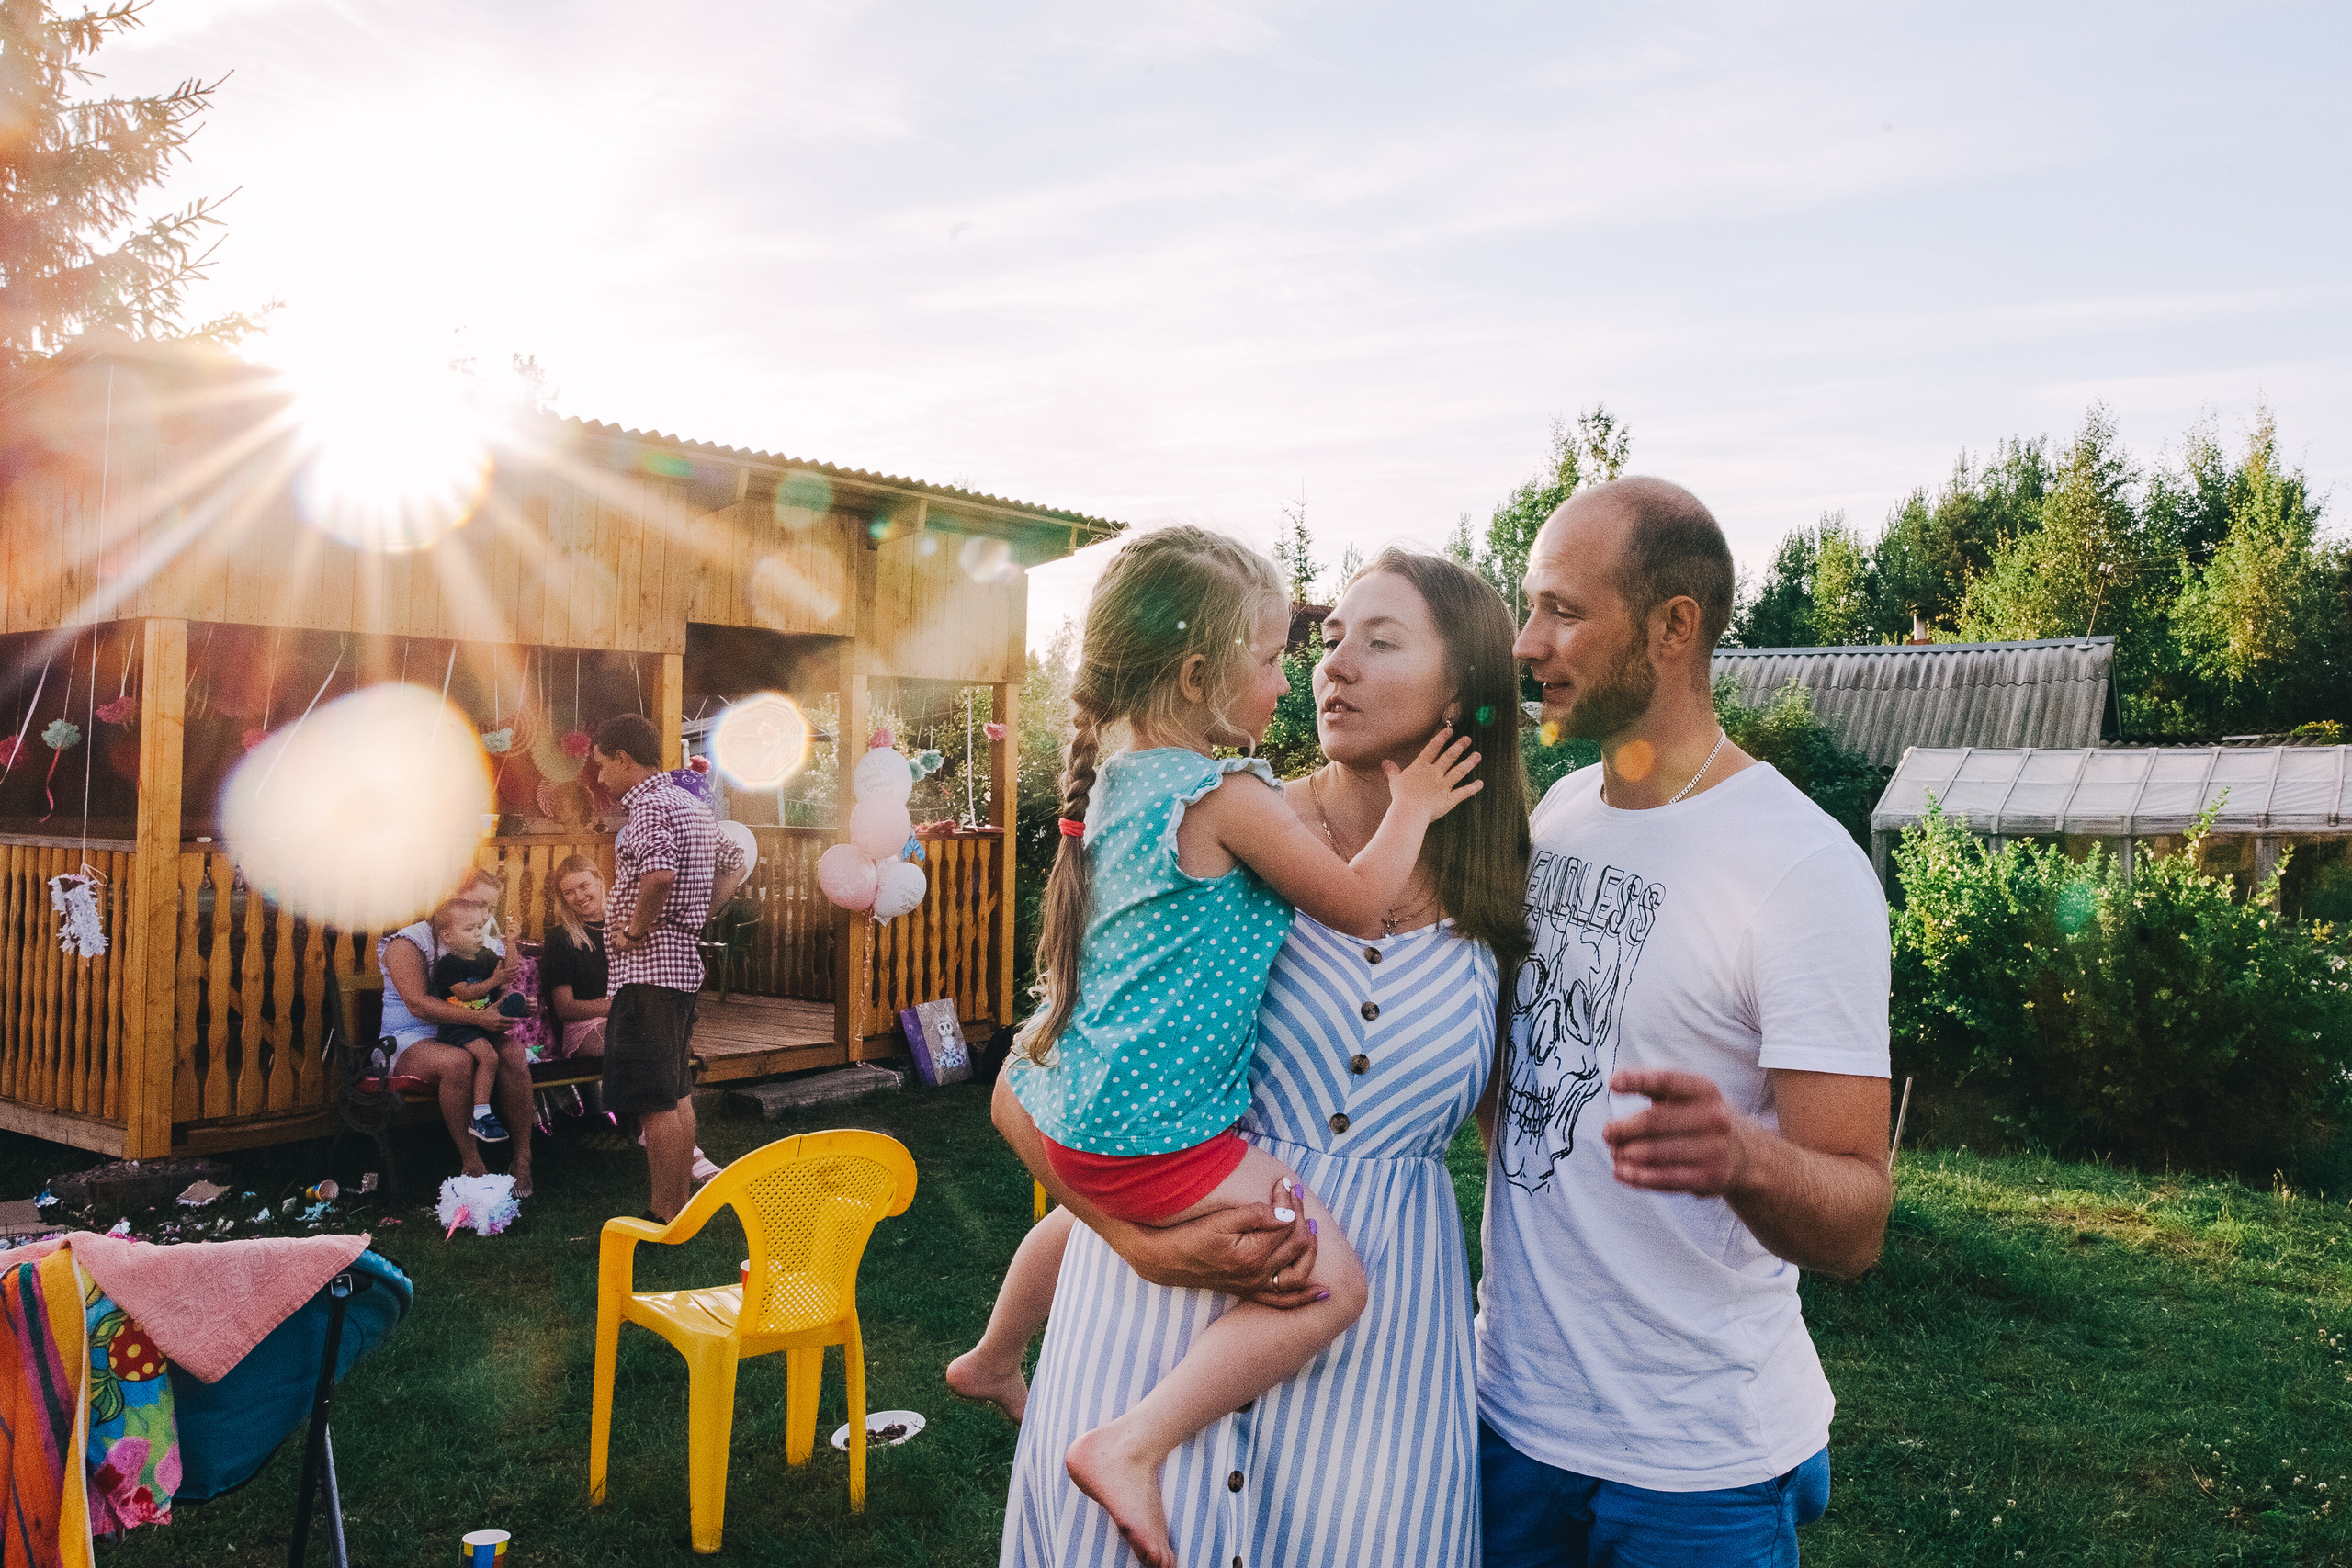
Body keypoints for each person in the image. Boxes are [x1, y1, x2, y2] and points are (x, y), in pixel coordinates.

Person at [957, 527, 1485, 1568]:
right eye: (1306, 643)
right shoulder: (1237, 813)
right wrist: (1136, 1241)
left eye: (1375, 640)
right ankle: (1127, 1441)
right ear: (1202, 673)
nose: (1322, 667)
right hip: (1151, 1322)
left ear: (1463, 688)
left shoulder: (1510, 894)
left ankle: (1001, 1360)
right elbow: (1031, 1079)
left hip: (1380, 1388)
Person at [1480, 477, 1894, 1567]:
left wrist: (1742, 1157)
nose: (1528, 643)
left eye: (1564, 611)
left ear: (1675, 626)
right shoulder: (1560, 816)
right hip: (1511, 1422)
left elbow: (1856, 1223)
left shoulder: (1802, 869)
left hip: (1695, 1467)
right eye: (1529, 606)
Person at [592, 713, 747, 1223]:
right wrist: (701, 912)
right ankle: (680, 1204)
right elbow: (735, 862)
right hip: (680, 968)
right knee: (675, 1089)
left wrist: (635, 933)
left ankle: (664, 1214)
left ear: (623, 758)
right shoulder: (692, 804)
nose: (598, 779)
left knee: (652, 1098)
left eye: (600, 766)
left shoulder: (650, 808)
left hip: (651, 971)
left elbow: (658, 877)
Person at [374, 867, 537, 1197]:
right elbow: (418, 1004)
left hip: (462, 1031)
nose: (482, 915)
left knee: (512, 1052)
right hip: (407, 1038)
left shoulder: (483, 944)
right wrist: (481, 1019)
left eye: (489, 908)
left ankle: (523, 1158)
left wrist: (513, 1005)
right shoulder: (409, 941)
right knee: (457, 1062)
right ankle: (473, 1165)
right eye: (476, 903)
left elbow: (498, 994)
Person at [424, 901, 533, 1143]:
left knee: (503, 1048)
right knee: (490, 1057)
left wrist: (511, 943)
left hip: (483, 1025)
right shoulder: (449, 964)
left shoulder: (485, 955)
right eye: (469, 929)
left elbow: (509, 971)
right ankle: (481, 1115)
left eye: (480, 928)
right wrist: (495, 981)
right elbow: (465, 993)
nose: (477, 934)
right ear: (448, 936)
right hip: (458, 1028)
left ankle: (486, 1113)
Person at [541, 853, 614, 1063]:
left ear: (599, 879)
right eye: (569, 892)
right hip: (586, 1026)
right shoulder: (560, 938)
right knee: (629, 1045)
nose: (579, 896)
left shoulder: (623, 926)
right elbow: (565, 1008)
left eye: (584, 886)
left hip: (628, 1018)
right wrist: (617, 1006)